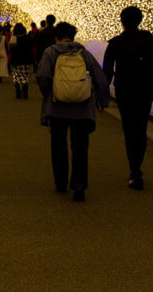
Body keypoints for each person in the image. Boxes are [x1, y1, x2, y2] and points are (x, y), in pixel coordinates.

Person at [36, 22, 110, 202]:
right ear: (73, 36)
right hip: (82, 108)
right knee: (80, 147)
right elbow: (101, 79)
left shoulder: (50, 52)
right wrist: (102, 102)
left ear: (56, 36)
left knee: (58, 144)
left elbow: (43, 76)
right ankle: (79, 184)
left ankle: (60, 182)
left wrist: (48, 92)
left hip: (57, 108)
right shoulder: (84, 54)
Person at [102, 6, 153, 190]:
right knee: (141, 129)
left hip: (125, 91)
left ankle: (134, 170)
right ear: (140, 20)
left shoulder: (116, 43)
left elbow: (106, 72)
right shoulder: (150, 41)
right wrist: (150, 75)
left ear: (122, 21)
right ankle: (137, 168)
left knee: (129, 129)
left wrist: (101, 95)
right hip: (145, 91)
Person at [8, 22, 35, 99]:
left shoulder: (13, 38)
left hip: (15, 60)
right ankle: (25, 90)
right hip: (26, 60)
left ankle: (18, 92)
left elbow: (11, 49)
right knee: (25, 76)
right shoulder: (28, 37)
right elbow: (31, 48)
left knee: (16, 76)